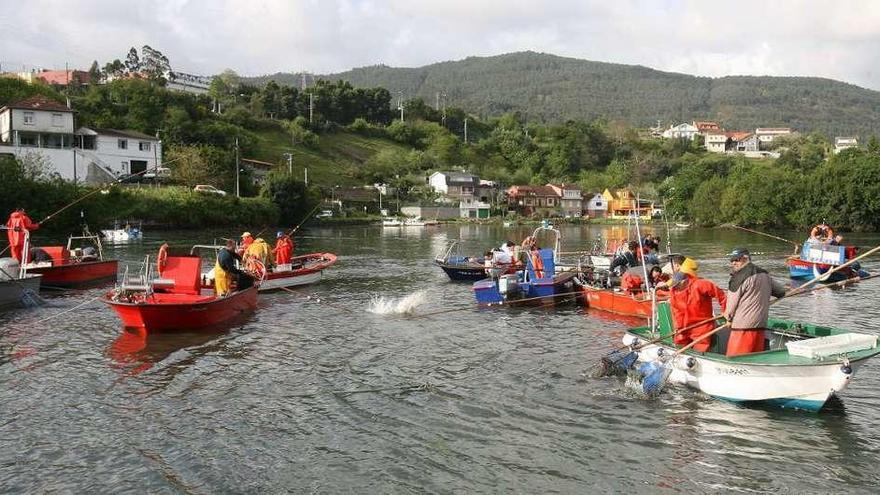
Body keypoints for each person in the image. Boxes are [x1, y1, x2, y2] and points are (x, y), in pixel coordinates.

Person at [722, 247, 786, 357]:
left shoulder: (738, 277)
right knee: (755, 358)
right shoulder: (765, 274)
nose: (733, 263)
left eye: (736, 260)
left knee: (737, 359)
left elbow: (731, 303)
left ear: (745, 258)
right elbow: (780, 292)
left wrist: (728, 318)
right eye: (732, 260)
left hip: (742, 328)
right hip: (760, 325)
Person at [669, 257, 727, 352]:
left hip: (702, 326)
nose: (676, 288)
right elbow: (675, 311)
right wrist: (677, 327)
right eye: (674, 286)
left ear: (684, 281)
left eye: (678, 285)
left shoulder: (701, 284)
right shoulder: (673, 291)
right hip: (683, 328)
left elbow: (722, 296)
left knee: (701, 349)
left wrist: (726, 312)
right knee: (679, 345)